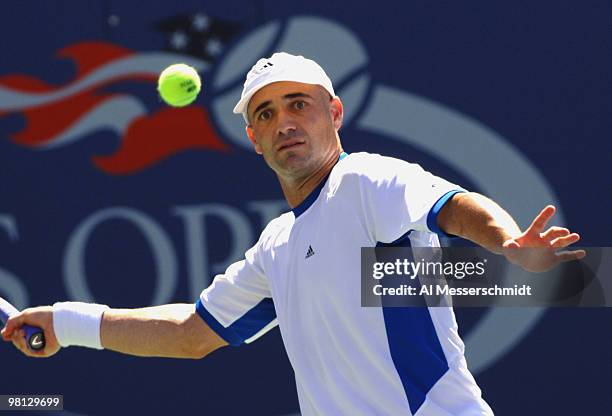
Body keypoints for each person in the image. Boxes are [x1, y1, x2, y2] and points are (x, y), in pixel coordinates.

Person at [1, 52, 584, 415]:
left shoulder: (365, 179)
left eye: (297, 104)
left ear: (333, 113)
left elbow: (452, 207)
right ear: (254, 138)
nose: (283, 122)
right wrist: (67, 323)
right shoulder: (276, 248)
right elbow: (190, 333)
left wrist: (507, 244)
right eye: (265, 114)